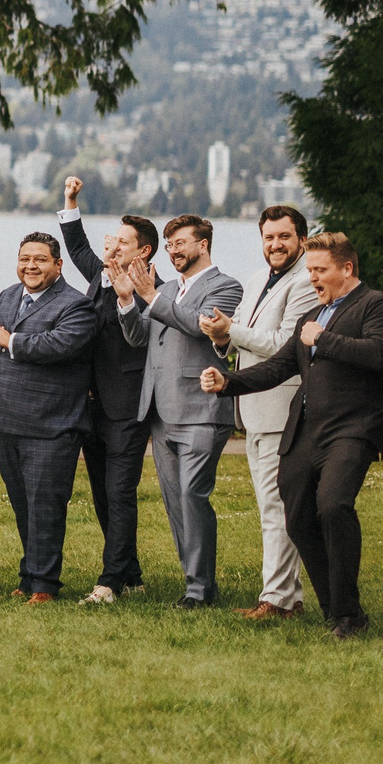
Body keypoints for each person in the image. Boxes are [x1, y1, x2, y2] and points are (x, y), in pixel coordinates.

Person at [201, 232, 383, 639]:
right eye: (309, 270)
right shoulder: (312, 313)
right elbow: (278, 368)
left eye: (320, 270)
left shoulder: (375, 304)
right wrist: (228, 382)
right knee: (297, 518)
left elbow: (380, 355)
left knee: (332, 507)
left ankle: (348, 614)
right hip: (305, 431)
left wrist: (323, 340)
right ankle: (337, 610)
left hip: (352, 429)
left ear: (346, 269)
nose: (312, 277)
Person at [117, 214, 244, 607]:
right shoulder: (168, 287)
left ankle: (199, 591)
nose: (173, 250)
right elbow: (139, 335)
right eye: (169, 245)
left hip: (202, 408)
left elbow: (200, 325)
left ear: (203, 244)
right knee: (176, 504)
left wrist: (152, 296)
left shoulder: (226, 286)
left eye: (181, 243)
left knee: (193, 495)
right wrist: (126, 299)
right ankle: (196, 585)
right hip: (160, 410)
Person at [0, 231, 99, 602]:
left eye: (40, 259)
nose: (30, 265)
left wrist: (4, 338)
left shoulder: (76, 305)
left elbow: (57, 345)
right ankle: (28, 578)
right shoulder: (10, 295)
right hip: (9, 417)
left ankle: (45, 586)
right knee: (22, 504)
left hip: (52, 422)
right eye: (25, 258)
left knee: (45, 505)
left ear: (58, 265)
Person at [212, 204, 317, 619]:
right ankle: (288, 597)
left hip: (281, 408)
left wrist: (231, 331)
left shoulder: (305, 281)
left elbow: (283, 345)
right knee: (271, 507)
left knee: (277, 508)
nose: (275, 244)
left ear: (302, 240)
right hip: (252, 409)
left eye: (284, 237)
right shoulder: (257, 280)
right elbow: (239, 339)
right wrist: (221, 338)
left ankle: (275, 599)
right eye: (269, 237)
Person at [58, 180, 157, 604]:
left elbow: (142, 337)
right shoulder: (101, 274)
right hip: (91, 405)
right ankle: (131, 572)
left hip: (128, 405)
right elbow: (78, 246)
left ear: (144, 251)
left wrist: (129, 296)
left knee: (119, 491)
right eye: (112, 239)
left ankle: (110, 581)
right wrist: (71, 201)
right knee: (101, 491)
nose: (113, 246)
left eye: (122, 241)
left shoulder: (154, 288)